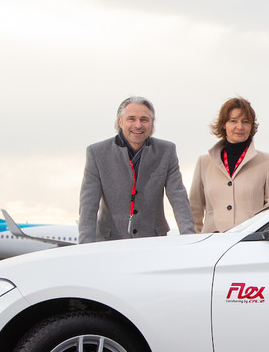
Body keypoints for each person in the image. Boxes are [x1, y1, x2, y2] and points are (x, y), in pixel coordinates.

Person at [79, 97, 194, 244]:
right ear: (120, 122)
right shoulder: (97, 153)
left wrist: (189, 238)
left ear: (152, 123)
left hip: (152, 241)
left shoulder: (167, 151)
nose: (138, 125)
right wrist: (84, 247)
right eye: (131, 119)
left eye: (144, 119)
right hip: (109, 241)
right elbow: (88, 205)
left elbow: (178, 198)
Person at [188, 96, 269, 233]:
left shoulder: (267, 161)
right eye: (233, 121)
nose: (240, 127)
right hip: (212, 244)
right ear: (223, 125)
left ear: (251, 126)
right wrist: (195, 239)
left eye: (245, 122)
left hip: (250, 242)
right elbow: (194, 209)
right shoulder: (204, 162)